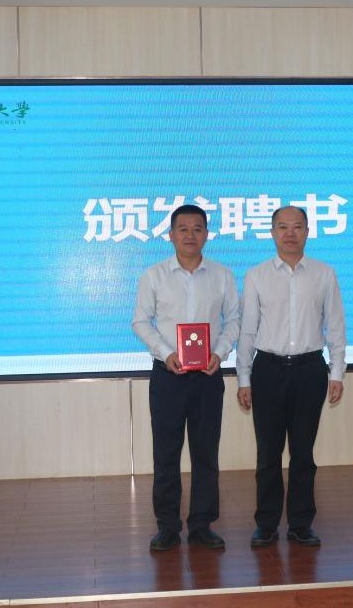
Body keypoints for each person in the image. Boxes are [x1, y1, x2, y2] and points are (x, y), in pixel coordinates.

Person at [236, 205, 346, 548]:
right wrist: (243, 378)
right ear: (272, 232)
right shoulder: (256, 275)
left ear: (308, 231)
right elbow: (247, 331)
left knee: (303, 453)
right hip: (267, 370)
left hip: (310, 369)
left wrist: (337, 372)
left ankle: (301, 523)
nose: (289, 233)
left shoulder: (324, 274)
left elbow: (336, 327)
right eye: (282, 227)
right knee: (268, 453)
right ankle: (266, 523)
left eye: (297, 226)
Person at [132, 204, 240, 551]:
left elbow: (234, 320)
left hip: (208, 375)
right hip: (168, 376)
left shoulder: (222, 276)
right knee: (166, 453)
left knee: (206, 452)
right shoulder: (154, 276)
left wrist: (219, 352)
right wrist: (166, 353)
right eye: (183, 229)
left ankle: (202, 525)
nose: (190, 235)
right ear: (171, 235)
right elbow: (140, 322)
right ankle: (167, 526)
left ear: (207, 234)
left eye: (197, 229)